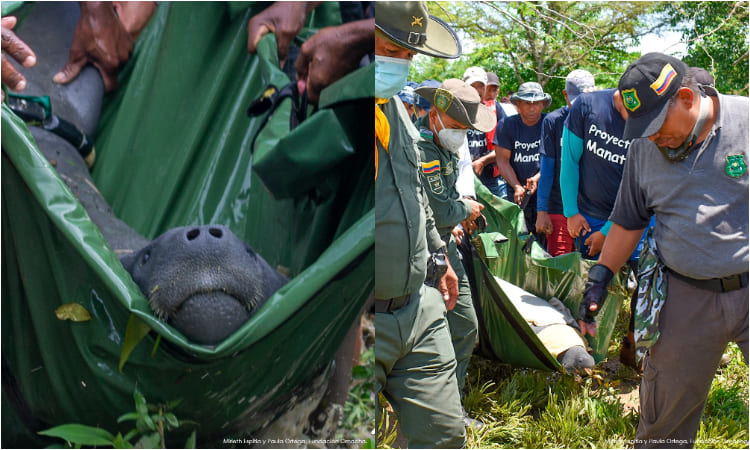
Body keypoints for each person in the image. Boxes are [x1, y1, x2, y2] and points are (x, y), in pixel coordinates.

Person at [581, 52, 748, 448]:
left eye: (657, 125)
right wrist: (600, 279)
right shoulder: (644, 148)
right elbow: (629, 220)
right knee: (664, 426)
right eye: (643, 129)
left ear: (688, 98)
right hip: (686, 297)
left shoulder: (744, 121)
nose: (653, 137)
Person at [374, 2, 467, 447]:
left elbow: (417, 199)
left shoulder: (396, 113)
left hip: (418, 307)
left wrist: (438, 255)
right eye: (391, 49)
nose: (400, 64)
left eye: (409, 56)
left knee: (445, 436)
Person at [414, 78, 494, 426]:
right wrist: (467, 210)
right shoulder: (422, 149)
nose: (461, 135)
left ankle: (449, 406)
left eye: (466, 129)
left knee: (460, 327)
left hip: (445, 248)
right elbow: (441, 209)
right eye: (458, 127)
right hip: (425, 253)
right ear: (435, 115)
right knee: (445, 329)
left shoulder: (445, 144)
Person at [536, 69, 594, 256]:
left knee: (591, 264)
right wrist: (542, 210)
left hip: (591, 208)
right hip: (558, 206)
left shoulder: (600, 118)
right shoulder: (553, 121)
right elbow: (547, 169)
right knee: (561, 265)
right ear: (565, 95)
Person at [494, 81, 549, 246]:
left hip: (546, 195)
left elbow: (556, 159)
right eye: (527, 103)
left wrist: (538, 178)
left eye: (537, 103)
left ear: (543, 104)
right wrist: (517, 185)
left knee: (546, 243)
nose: (532, 108)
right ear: (518, 104)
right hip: (517, 197)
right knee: (518, 242)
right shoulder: (507, 125)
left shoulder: (550, 123)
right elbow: (502, 160)